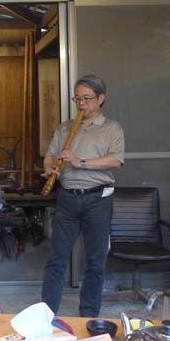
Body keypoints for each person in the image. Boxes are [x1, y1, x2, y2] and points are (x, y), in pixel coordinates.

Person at [41, 74, 125, 316]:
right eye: (77, 98)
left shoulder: (111, 128)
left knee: (95, 261)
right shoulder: (66, 127)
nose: (81, 104)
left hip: (98, 199)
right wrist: (49, 167)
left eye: (87, 98)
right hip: (67, 197)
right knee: (57, 259)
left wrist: (80, 162)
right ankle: (46, 315)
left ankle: (88, 315)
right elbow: (50, 154)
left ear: (101, 98)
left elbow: (116, 160)